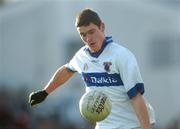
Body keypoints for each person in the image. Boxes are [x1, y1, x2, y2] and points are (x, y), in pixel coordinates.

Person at [29, 8, 156, 129]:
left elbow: (136, 96)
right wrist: (46, 92)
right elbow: (67, 70)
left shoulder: (121, 56)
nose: (88, 39)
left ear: (102, 26)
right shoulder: (82, 56)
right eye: (82, 34)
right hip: (105, 125)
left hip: (132, 125)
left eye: (91, 31)